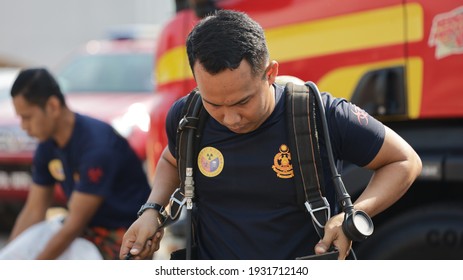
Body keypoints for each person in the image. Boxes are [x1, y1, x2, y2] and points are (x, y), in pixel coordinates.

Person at [119, 10, 422, 260]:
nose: (230, 118)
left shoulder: (319, 115)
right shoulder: (188, 118)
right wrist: (152, 211)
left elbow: (404, 161)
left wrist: (353, 215)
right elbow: (172, 160)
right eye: (215, 104)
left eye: (242, 101)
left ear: (270, 73)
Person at [2, 68, 151, 260]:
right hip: (83, 230)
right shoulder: (47, 144)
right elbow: (34, 210)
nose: (23, 126)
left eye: (27, 117)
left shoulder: (97, 146)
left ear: (53, 106)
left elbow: (74, 225)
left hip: (122, 235)